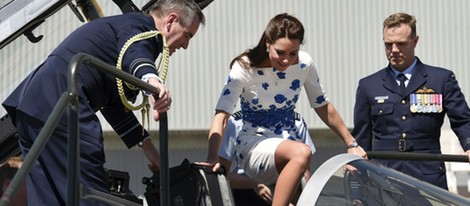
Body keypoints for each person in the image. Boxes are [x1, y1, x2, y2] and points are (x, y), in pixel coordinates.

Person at [2, 0, 205, 205]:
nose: (186, 45)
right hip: (60, 101)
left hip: (32, 105)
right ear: (171, 21)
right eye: (187, 35)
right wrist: (153, 82)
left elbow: (113, 102)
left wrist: (147, 147)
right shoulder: (141, 28)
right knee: (88, 187)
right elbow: (136, 53)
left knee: (48, 195)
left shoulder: (123, 29)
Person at [205, 13, 366, 206]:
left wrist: (351, 143)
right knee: (301, 152)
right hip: (254, 143)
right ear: (267, 43)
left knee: (305, 191)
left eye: (293, 53)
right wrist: (212, 156)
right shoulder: (244, 67)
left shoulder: (304, 64)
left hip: (290, 138)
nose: (286, 60)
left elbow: (322, 105)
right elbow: (222, 115)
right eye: (280, 52)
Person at [352, 12, 470, 189]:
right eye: (388, 44)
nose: (394, 50)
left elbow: (462, 120)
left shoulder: (441, 80)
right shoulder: (369, 85)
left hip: (428, 178)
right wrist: (359, 189)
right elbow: (362, 140)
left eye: (401, 44)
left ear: (415, 41)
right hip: (384, 178)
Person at [219, 111, 315, 205]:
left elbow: (305, 172)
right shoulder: (236, 122)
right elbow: (222, 174)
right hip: (248, 190)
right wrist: (253, 184)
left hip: (284, 190)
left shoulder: (296, 121)